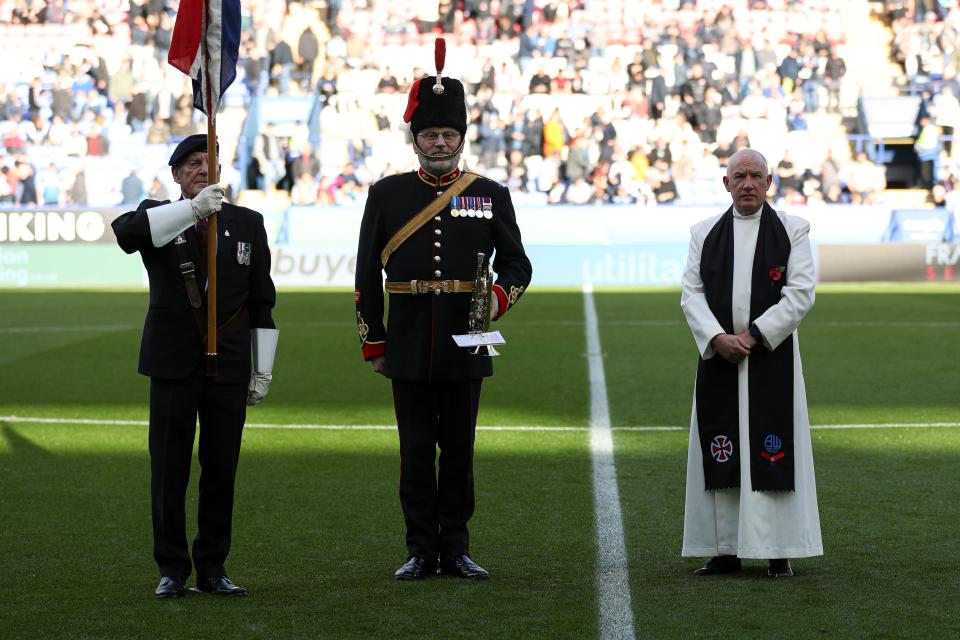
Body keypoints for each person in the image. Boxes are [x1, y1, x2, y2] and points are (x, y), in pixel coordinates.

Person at [354, 40, 532, 582]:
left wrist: (494, 303)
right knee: (413, 455)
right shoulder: (386, 194)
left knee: (458, 452)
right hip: (407, 340)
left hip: (466, 340)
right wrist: (375, 341)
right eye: (430, 134)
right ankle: (419, 550)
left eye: (448, 134)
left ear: (461, 138)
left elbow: (518, 266)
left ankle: (455, 549)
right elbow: (366, 275)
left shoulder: (490, 192)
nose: (439, 142)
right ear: (416, 139)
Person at [112, 134, 279, 599]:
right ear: (176, 175)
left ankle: (213, 567)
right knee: (169, 469)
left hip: (228, 364)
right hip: (172, 362)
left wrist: (261, 366)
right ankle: (171, 568)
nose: (203, 169)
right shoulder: (160, 215)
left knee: (221, 467)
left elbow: (262, 301)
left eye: (210, 161)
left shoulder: (248, 223)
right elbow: (126, 234)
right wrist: (194, 210)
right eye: (191, 164)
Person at [679, 148, 822, 579]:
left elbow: (800, 293)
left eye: (755, 176)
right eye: (738, 176)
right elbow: (692, 293)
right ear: (726, 184)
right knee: (720, 448)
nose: (747, 183)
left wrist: (755, 335)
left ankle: (778, 550)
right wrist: (717, 338)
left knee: (773, 449)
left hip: (770, 358)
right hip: (720, 355)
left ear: (769, 182)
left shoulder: (793, 231)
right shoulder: (704, 233)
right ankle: (724, 551)